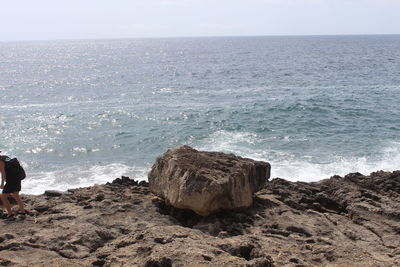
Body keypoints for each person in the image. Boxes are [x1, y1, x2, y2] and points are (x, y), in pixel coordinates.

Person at [0, 151, 28, 218]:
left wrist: (2, 184)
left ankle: (10, 214)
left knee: (3, 197)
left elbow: (3, 174)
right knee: (16, 195)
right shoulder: (5, 157)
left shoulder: (0, 162)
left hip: (11, 181)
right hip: (17, 178)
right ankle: (23, 212)